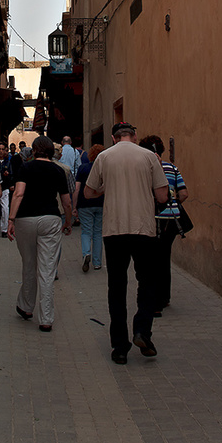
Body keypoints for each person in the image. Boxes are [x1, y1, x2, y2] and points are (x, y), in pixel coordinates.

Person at [85, 122, 168, 364]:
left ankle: (120, 347)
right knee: (147, 282)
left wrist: (105, 188)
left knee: (117, 287)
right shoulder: (149, 157)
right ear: (134, 136)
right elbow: (162, 195)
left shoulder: (104, 157)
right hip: (143, 228)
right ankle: (143, 330)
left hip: (114, 229)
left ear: (113, 138)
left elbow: (89, 193)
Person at [8, 136, 72, 332]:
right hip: (50, 220)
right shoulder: (58, 170)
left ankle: (26, 307)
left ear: (34, 151)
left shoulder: (25, 168)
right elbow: (66, 201)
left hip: (25, 220)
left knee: (29, 264)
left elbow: (18, 194)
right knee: (47, 269)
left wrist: (11, 219)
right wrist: (68, 221)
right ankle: (46, 318)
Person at [138, 135, 188, 311]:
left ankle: (154, 300)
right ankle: (164, 296)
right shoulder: (172, 168)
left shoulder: (145, 168)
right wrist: (173, 204)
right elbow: (184, 193)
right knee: (164, 258)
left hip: (153, 218)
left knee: (151, 260)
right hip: (172, 220)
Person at [75, 144, 105, 272]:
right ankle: (97, 262)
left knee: (86, 231)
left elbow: (77, 188)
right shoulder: (105, 169)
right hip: (101, 204)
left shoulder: (83, 168)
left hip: (85, 204)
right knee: (98, 233)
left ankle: (86, 253)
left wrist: (74, 206)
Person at [0, 141, 14, 237]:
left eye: (3, 149)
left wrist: (11, 183)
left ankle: (4, 230)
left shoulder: (8, 162)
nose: (1, 151)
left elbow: (11, 174)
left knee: (5, 209)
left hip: (5, 188)